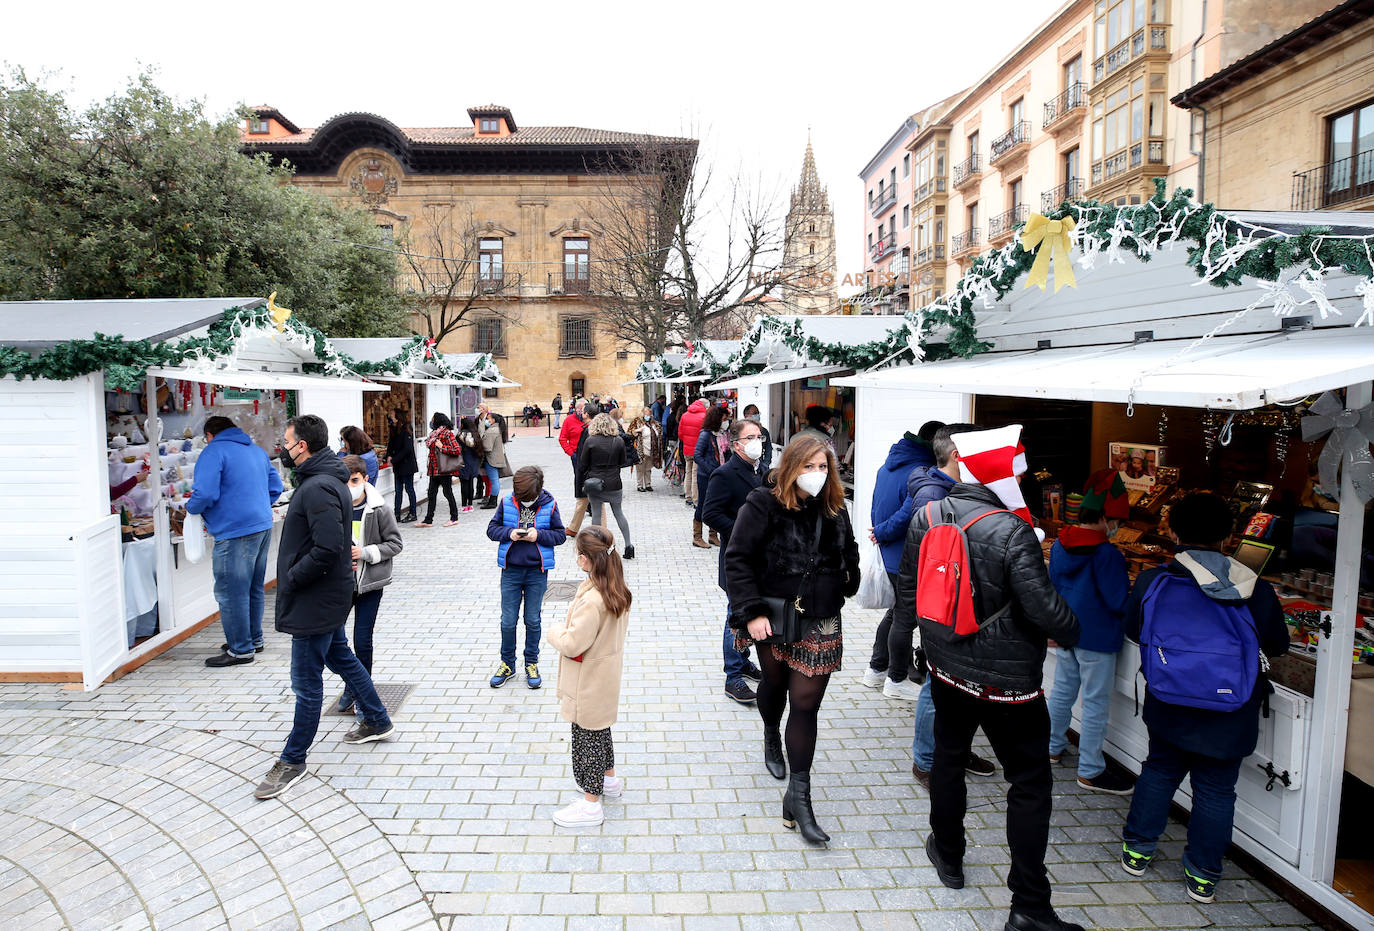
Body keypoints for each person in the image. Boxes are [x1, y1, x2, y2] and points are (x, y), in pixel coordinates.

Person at [894, 424, 1082, 931]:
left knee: (948, 762)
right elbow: (1045, 612)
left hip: (947, 669)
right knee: (1029, 784)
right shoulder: (1011, 530)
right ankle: (1029, 904)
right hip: (1009, 684)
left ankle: (948, 854)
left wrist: (902, 652)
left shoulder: (928, 514)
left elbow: (908, 595)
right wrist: (1073, 625)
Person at [1119, 492, 1289, 905]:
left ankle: (1138, 850)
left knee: (1159, 770)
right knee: (1216, 789)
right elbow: (1278, 645)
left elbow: (1134, 630)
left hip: (1170, 698)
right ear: (1229, 536)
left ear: (1173, 531)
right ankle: (1202, 876)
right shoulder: (1255, 589)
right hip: (1231, 708)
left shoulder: (1154, 580)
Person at [725, 435, 860, 847]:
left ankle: (798, 798)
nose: (816, 475)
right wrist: (752, 612)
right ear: (790, 468)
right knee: (775, 684)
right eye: (808, 467)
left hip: (821, 618)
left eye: (823, 467)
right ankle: (770, 731)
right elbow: (738, 558)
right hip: (775, 615)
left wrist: (848, 577)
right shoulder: (763, 504)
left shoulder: (835, 506)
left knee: (806, 703)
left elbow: (849, 550)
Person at [254, 415, 394, 801]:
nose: (284, 448)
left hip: (316, 597)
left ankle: (293, 759)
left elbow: (328, 546)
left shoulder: (316, 487)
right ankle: (378, 720)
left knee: (306, 681)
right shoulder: (323, 480)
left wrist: (294, 577)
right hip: (325, 594)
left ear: (305, 446)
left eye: (288, 442)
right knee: (343, 659)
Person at [1046, 469, 1134, 794]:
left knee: (1062, 693)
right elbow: (1116, 600)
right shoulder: (1107, 554)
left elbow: (1052, 587)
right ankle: (1091, 770)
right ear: (1106, 518)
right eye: (1117, 522)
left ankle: (1052, 747)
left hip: (1067, 631)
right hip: (1098, 639)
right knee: (1095, 703)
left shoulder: (1059, 545)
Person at [545, 525, 633, 827]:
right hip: (603, 677)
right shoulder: (614, 586)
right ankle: (609, 781)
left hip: (588, 681)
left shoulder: (594, 599)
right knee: (600, 730)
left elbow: (572, 643)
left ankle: (591, 805)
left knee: (587, 741)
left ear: (584, 559)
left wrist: (554, 631)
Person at [187, 415, 284, 667]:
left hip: (234, 530)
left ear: (209, 435)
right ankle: (253, 639)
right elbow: (276, 487)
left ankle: (240, 649)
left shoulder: (213, 452)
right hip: (261, 525)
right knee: (252, 587)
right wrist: (257, 506)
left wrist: (191, 507)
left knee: (231, 592)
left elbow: (205, 493)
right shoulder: (256, 451)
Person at [702, 418, 767, 705]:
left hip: (763, 558)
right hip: (737, 557)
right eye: (750, 437)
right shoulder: (724, 474)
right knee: (736, 613)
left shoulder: (763, 471)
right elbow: (710, 514)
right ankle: (733, 676)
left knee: (750, 609)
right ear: (737, 443)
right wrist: (742, 531)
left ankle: (743, 660)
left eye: (759, 437)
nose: (757, 442)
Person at [486, 465, 567, 690]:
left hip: (537, 572)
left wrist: (538, 536)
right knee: (507, 620)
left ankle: (531, 662)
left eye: (527, 497)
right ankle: (507, 664)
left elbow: (561, 535)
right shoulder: (507, 502)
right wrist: (509, 533)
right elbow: (492, 529)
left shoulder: (549, 505)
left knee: (532, 620)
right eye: (520, 496)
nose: (522, 500)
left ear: (538, 490)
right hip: (510, 571)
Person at [335, 455, 404, 716]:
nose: (349, 486)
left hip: (369, 584)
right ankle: (351, 684)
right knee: (336, 641)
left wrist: (365, 552)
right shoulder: (335, 507)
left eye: (354, 481)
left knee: (362, 640)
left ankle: (361, 691)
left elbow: (395, 544)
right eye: (344, 482)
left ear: (365, 479)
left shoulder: (379, 509)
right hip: (340, 584)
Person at [579, 413, 634, 560]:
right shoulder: (618, 441)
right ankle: (629, 545)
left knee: (596, 514)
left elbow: (583, 463)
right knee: (619, 513)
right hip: (614, 482)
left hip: (595, 483)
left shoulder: (590, 441)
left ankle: (597, 548)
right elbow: (623, 461)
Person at [693, 404, 730, 548]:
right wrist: (711, 470)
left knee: (717, 504)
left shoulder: (722, 434)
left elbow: (726, 453)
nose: (726, 421)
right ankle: (697, 537)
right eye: (724, 418)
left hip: (720, 476)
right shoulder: (705, 434)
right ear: (717, 419)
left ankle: (713, 535)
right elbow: (697, 455)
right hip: (706, 476)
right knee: (702, 504)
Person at [417, 413, 461, 528]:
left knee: (447, 493)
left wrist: (442, 447)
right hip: (433, 469)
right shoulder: (433, 434)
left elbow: (456, 450)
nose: (431, 422)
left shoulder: (447, 433)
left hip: (443, 469)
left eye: (432, 420)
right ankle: (428, 520)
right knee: (431, 494)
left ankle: (454, 517)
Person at [384, 410, 418, 523]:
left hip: (407, 465)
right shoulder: (393, 429)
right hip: (398, 466)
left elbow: (407, 449)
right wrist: (388, 456)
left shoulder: (406, 429)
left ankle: (413, 513)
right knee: (398, 491)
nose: (390, 417)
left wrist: (393, 459)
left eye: (392, 416)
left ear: (398, 417)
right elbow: (390, 445)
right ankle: (397, 514)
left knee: (409, 489)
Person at [678, 397, 708, 510]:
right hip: (698, 450)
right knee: (696, 474)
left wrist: (686, 441)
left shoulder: (685, 415)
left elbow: (680, 433)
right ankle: (696, 500)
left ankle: (688, 497)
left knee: (688, 472)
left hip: (687, 449)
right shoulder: (704, 416)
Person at [478, 405, 510, 509]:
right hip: (495, 458)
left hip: (491, 459)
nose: (486, 420)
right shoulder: (497, 429)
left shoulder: (492, 431)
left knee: (494, 480)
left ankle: (492, 501)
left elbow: (487, 447)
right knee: (494, 480)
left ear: (493, 420)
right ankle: (493, 500)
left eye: (488, 419)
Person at [628, 406, 662, 492]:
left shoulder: (655, 424)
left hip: (652, 450)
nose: (647, 415)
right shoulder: (637, 422)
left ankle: (648, 484)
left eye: (649, 414)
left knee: (648, 468)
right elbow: (630, 432)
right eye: (645, 413)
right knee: (640, 468)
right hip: (641, 450)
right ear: (642, 413)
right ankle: (640, 485)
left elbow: (659, 435)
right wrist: (637, 430)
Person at [457, 416, 484, 513]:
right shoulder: (475, 435)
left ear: (463, 424)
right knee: (471, 483)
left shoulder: (460, 435)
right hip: (473, 462)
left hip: (464, 461)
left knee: (464, 484)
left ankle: (464, 505)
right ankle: (470, 505)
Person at [741, 404, 772, 471]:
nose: (757, 415)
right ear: (746, 415)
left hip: (760, 466)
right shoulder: (740, 431)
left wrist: (765, 465)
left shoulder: (764, 431)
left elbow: (768, 449)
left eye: (758, 413)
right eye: (755, 413)